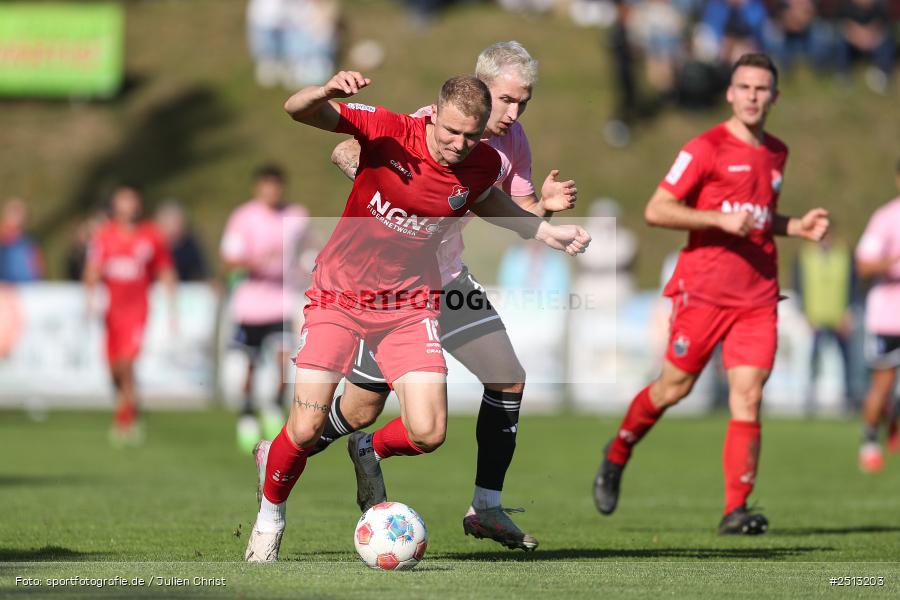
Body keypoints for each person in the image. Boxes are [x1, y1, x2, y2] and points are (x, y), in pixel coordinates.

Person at [243, 70, 589, 562]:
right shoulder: (390, 129)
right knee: (302, 430)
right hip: (340, 297)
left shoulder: (483, 160)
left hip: (410, 305)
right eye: (450, 132)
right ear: (434, 113)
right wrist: (325, 92)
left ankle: (377, 455)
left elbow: (487, 198)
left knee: (428, 431)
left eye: (471, 135)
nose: (459, 144)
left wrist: (544, 231)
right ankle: (270, 518)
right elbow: (298, 111)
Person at [592, 53, 829, 535]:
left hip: (758, 298)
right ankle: (617, 452)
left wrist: (794, 225)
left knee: (749, 395)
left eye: (762, 89)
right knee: (673, 388)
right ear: (730, 92)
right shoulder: (705, 147)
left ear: (775, 97)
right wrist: (718, 218)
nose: (753, 96)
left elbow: (759, 217)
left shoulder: (777, 152)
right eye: (744, 87)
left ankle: (735, 510)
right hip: (703, 293)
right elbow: (658, 209)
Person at [220, 165, 314, 452]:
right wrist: (257, 262)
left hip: (282, 304)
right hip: (249, 306)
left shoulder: (296, 216)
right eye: (266, 186)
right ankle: (247, 415)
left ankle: (273, 408)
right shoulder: (243, 218)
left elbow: (309, 249)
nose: (272, 192)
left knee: (284, 361)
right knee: (247, 366)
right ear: (257, 188)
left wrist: (309, 264)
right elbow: (229, 263)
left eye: (276, 186)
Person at [83, 185, 177, 445]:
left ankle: (125, 420)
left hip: (137, 312)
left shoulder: (151, 235)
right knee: (113, 369)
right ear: (115, 205)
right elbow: (93, 268)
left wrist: (172, 306)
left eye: (133, 201)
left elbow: (165, 269)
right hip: (112, 312)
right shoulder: (104, 236)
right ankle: (129, 403)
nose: (129, 206)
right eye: (124, 201)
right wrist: (89, 296)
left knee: (126, 363)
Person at [854, 161, 900, 472]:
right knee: (882, 385)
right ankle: (870, 440)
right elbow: (863, 265)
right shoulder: (885, 218)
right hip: (889, 318)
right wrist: (892, 259)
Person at [793, 226, 856, 413]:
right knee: (812, 359)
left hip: (839, 317)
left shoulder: (844, 254)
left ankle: (849, 398)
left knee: (846, 359)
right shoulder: (805, 255)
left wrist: (848, 312)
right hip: (815, 317)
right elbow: (799, 284)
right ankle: (809, 397)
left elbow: (852, 284)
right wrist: (805, 313)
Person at [156, 200, 209, 282]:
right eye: (171, 224)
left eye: (177, 223)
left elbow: (203, 270)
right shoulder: (151, 245)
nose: (175, 229)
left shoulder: (191, 244)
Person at [0, 197, 45, 283]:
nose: (18, 217)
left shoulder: (30, 243)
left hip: (26, 289)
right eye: (14, 212)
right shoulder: (3, 240)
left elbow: (38, 270)